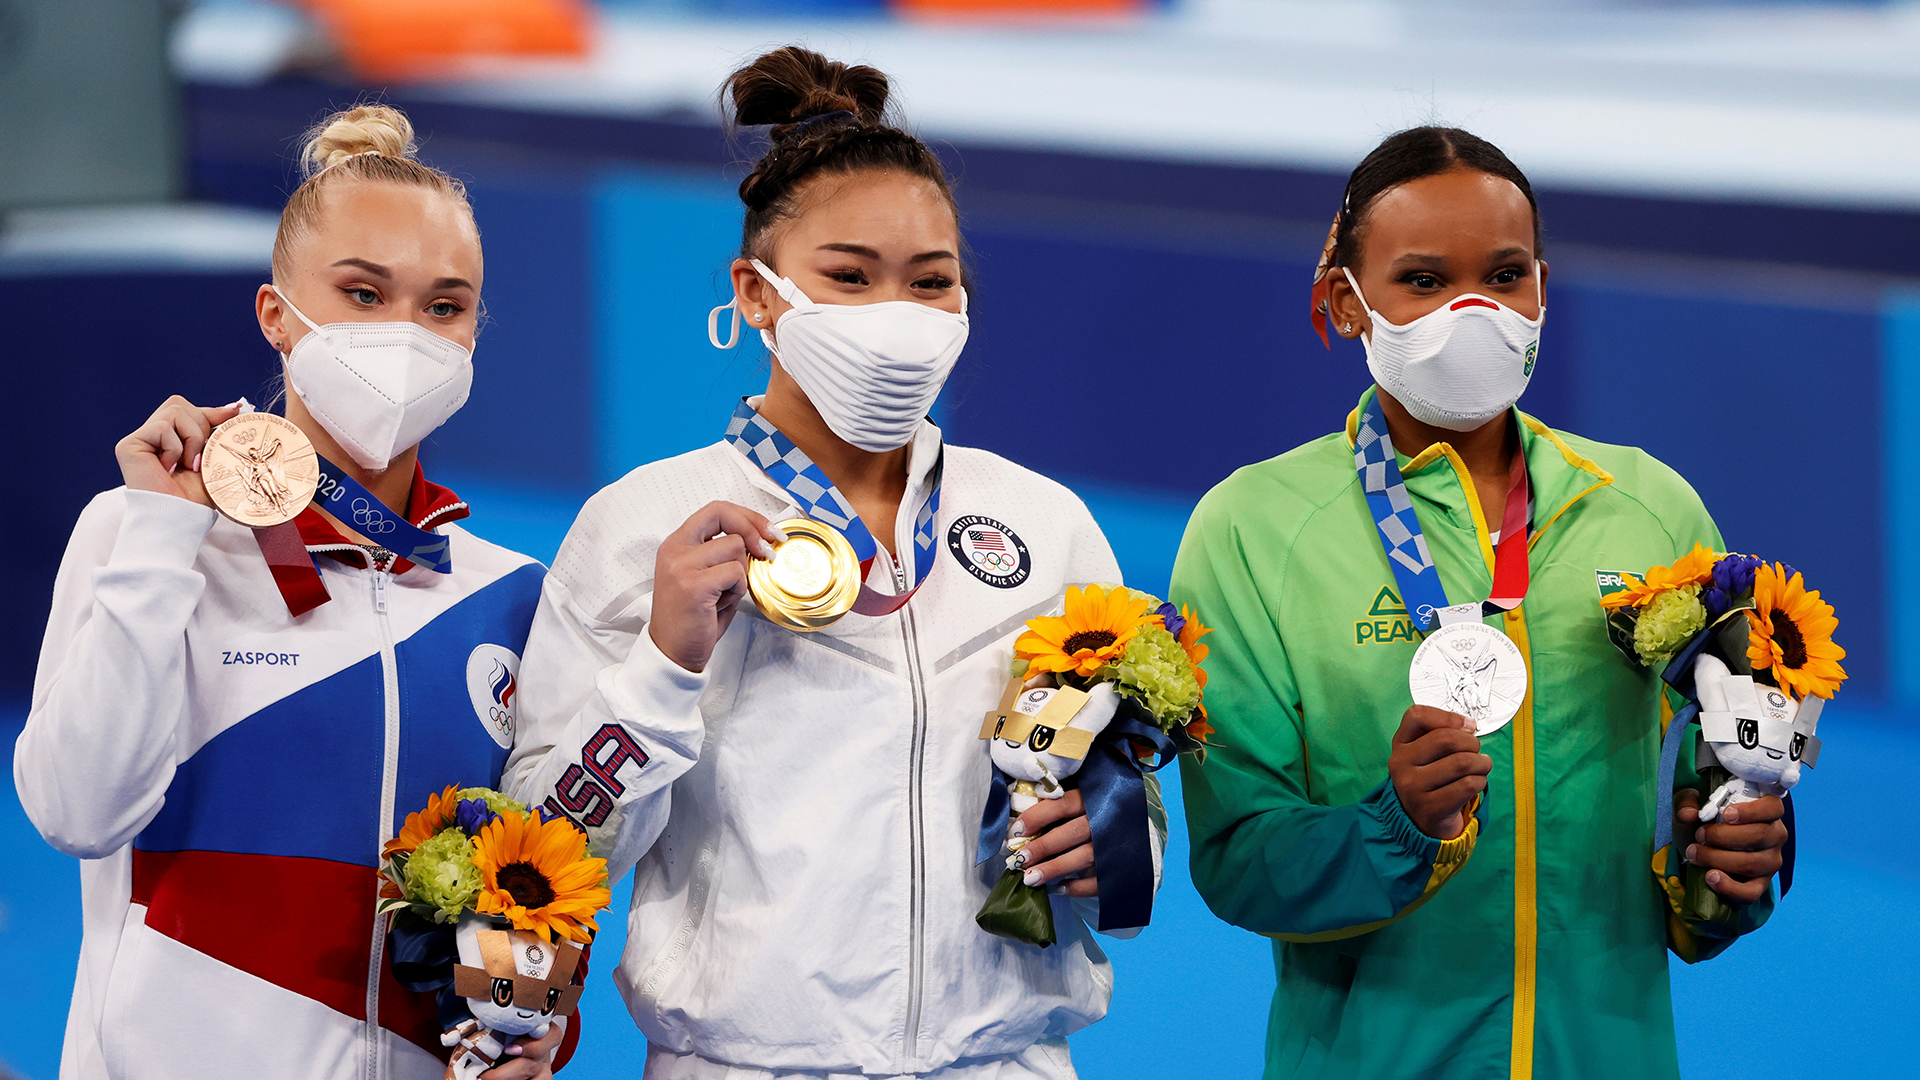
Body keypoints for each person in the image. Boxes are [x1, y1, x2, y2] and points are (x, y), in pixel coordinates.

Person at [502, 46, 1163, 1080]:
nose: (894, 314)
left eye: (930, 282)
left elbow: (1121, 792)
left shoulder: (1042, 521)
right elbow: (547, 846)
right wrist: (661, 671)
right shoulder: (642, 526)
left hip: (1005, 1060)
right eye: (849, 277)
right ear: (756, 293)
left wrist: (1115, 842)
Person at [1171, 127, 1789, 1079]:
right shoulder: (1255, 528)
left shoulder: (1649, 508)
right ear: (1347, 301)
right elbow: (1237, 857)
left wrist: (1733, 860)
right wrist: (1395, 826)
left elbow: (1710, 801)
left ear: (1542, 287)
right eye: (1423, 281)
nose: (1474, 312)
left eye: (1505, 276)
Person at [16, 106, 568, 1080]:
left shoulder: (512, 593)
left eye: (444, 308)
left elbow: (533, 881)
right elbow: (76, 811)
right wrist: (163, 537)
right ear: (277, 316)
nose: (406, 335)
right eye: (364, 294)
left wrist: (534, 1022)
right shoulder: (146, 536)